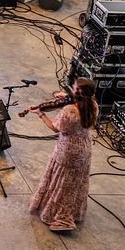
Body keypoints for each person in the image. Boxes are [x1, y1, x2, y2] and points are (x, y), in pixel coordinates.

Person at [29, 78, 99, 232]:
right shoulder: (93, 105)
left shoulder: (70, 110)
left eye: (74, 87)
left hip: (67, 151)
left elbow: (55, 127)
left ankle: (61, 217)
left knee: (62, 183)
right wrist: (67, 96)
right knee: (74, 183)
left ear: (77, 91)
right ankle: (73, 212)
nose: (71, 87)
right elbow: (79, 102)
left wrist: (40, 113)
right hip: (84, 150)